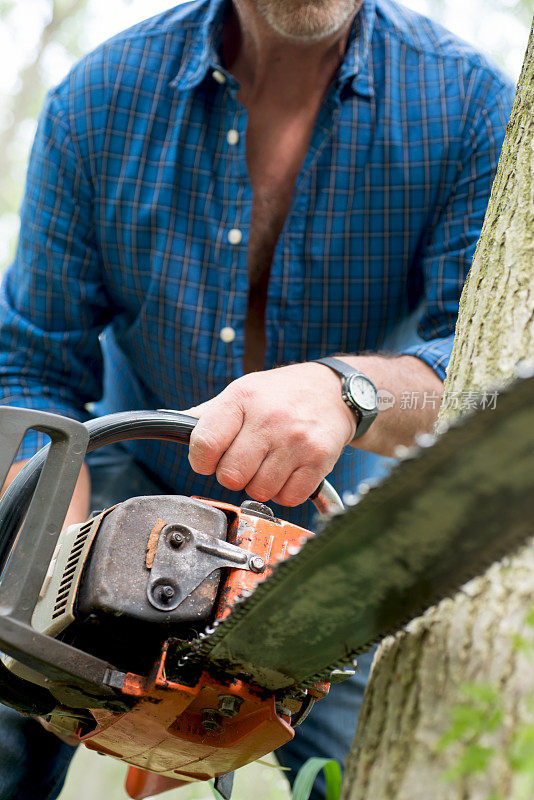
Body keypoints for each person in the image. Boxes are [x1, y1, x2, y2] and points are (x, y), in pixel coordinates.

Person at [0, 0, 514, 797]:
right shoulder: (98, 99)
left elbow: (476, 386)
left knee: (346, 776)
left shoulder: (469, 104)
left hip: (336, 542)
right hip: (119, 494)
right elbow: (33, 368)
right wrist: (55, 577)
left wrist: (351, 392)